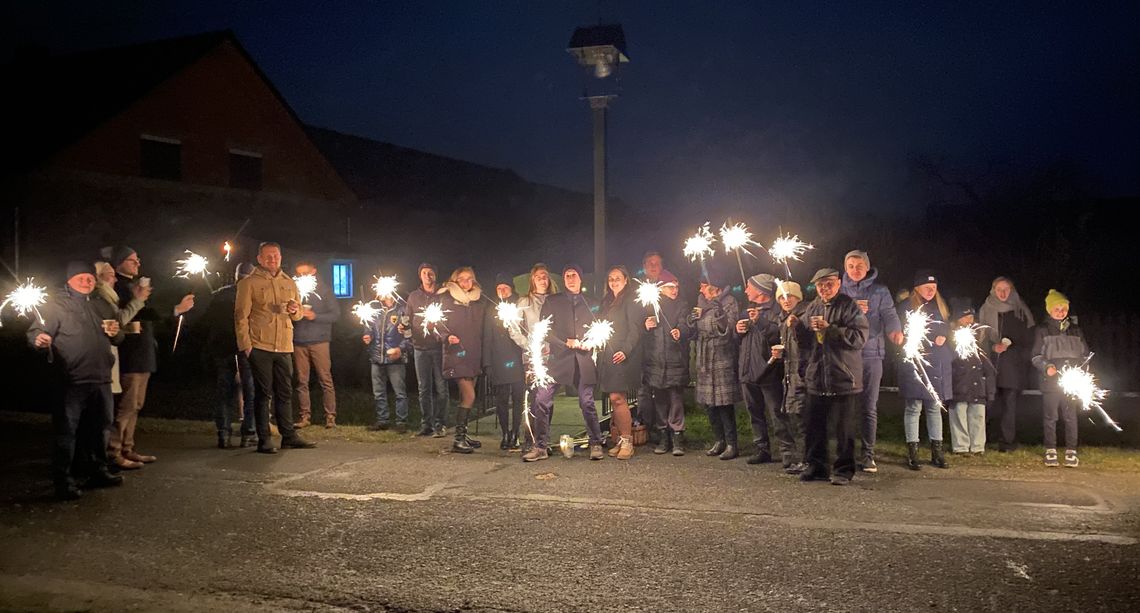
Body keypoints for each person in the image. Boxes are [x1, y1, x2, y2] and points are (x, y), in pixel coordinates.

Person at [28, 261, 124, 500]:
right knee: (66, 432)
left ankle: (97, 471)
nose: (86, 281)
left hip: (101, 379)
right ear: (69, 280)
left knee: (101, 428)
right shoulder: (55, 306)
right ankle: (63, 480)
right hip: (70, 380)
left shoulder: (103, 305)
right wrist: (38, 338)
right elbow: (35, 332)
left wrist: (116, 333)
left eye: (90, 278)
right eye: (80, 277)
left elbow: (119, 336)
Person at [108, 246, 195, 470]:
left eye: (138, 260)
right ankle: (113, 451)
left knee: (137, 404)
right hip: (131, 353)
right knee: (126, 405)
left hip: (143, 352)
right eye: (132, 260)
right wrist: (175, 309)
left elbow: (148, 312)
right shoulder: (116, 286)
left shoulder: (134, 285)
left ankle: (128, 447)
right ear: (119, 263)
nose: (137, 264)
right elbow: (133, 314)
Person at [235, 242, 316, 454]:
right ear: (260, 259)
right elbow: (240, 316)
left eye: (276, 256)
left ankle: (288, 436)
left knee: (285, 392)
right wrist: (246, 345)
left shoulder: (289, 282)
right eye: (268, 256)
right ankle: (264, 438)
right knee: (264, 393)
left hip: (284, 345)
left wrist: (295, 310)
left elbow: (297, 315)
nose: (273, 259)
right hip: (260, 345)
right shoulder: (249, 283)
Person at [794, 268, 868, 485]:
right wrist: (797, 327)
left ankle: (844, 470)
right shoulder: (813, 307)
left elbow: (859, 338)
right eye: (819, 285)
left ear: (838, 283)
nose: (824, 288)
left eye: (828, 284)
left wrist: (831, 329)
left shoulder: (849, 306)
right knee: (814, 425)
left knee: (844, 429)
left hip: (843, 377)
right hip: (817, 376)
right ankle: (816, 466)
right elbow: (806, 343)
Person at [528, 264, 604, 462]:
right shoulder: (553, 301)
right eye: (567, 275)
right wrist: (565, 342)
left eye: (574, 275)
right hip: (558, 359)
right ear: (563, 279)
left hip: (583, 360)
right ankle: (540, 446)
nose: (571, 278)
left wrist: (591, 342)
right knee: (542, 400)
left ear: (580, 279)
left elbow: (601, 328)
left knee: (587, 402)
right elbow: (545, 330)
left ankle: (596, 443)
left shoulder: (592, 302)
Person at [840, 250, 902, 473]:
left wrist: (895, 330)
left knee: (868, 406)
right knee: (845, 407)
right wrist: (853, 312)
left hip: (872, 354)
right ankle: (844, 453)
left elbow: (890, 314)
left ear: (867, 268)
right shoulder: (839, 289)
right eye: (850, 266)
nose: (855, 270)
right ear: (845, 268)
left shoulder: (880, 291)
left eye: (859, 266)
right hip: (845, 355)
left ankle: (868, 454)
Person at [737, 273, 796, 466]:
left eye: (749, 286)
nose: (745, 290)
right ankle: (761, 448)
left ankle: (787, 451)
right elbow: (741, 339)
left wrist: (760, 322)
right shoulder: (748, 310)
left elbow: (778, 335)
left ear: (761, 290)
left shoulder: (776, 309)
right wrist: (737, 329)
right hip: (748, 370)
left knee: (777, 413)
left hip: (768, 371)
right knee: (754, 412)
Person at [898, 270, 953, 470]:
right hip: (915, 364)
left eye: (934, 287)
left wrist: (944, 336)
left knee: (934, 408)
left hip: (937, 364)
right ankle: (913, 453)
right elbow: (900, 334)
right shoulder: (906, 307)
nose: (931, 290)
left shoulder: (940, 306)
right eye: (926, 287)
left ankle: (936, 452)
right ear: (917, 288)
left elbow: (947, 327)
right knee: (913, 408)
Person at [1031, 290, 1089, 468]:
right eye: (1057, 308)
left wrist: (1082, 371)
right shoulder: (1042, 330)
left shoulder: (1076, 330)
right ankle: (1051, 450)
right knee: (1051, 417)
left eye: (1063, 308)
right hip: (1050, 383)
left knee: (1070, 416)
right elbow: (1035, 356)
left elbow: (1085, 355)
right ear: (1049, 310)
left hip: (1071, 383)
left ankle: (1071, 451)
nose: (1060, 312)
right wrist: (1047, 367)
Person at [203, 263, 258, 448]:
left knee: (224, 392)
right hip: (244, 348)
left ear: (236, 276)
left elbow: (207, 321)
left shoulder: (218, 295)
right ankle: (248, 433)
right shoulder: (252, 295)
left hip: (221, 348)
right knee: (251, 391)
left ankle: (223, 433)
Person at [977, 276, 1035, 452]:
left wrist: (1014, 347)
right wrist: (993, 346)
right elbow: (980, 336)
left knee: (1009, 405)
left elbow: (1029, 339)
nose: (1002, 293)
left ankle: (1007, 442)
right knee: (988, 403)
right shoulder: (986, 309)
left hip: (1012, 366)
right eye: (999, 289)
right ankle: (981, 439)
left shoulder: (1020, 310)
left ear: (1012, 290)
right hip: (991, 364)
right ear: (993, 290)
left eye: (1006, 289)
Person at [690, 267, 742, 461]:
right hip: (704, 355)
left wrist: (718, 313)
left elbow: (728, 330)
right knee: (709, 404)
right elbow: (697, 330)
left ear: (715, 288)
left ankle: (731, 443)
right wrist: (692, 321)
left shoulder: (729, 302)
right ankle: (718, 440)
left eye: (704, 286)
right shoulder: (700, 303)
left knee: (723, 403)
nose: (701, 290)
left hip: (721, 356)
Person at [596, 265, 645, 460]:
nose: (614, 281)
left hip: (623, 354)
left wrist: (625, 350)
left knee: (618, 397)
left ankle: (627, 441)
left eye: (617, 278)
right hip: (607, 354)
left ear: (626, 280)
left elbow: (635, 329)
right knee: (613, 398)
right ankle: (619, 440)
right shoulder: (607, 301)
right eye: (610, 278)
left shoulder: (631, 300)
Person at [437, 267, 487, 454]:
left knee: (466, 397)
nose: (466, 282)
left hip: (473, 355)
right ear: (455, 281)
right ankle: (458, 439)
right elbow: (434, 325)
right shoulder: (446, 299)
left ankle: (463, 434)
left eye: (469, 279)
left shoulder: (478, 302)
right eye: (462, 279)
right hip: (457, 355)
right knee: (469, 396)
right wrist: (446, 336)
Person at [509, 263, 558, 453]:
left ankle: (544, 439)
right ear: (532, 280)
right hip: (531, 357)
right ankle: (529, 439)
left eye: (545, 276)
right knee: (532, 398)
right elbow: (513, 327)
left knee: (547, 399)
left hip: (552, 356)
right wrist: (528, 345)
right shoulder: (524, 302)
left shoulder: (555, 300)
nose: (542, 279)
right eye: (538, 276)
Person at [642, 270, 691, 456]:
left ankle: (678, 435)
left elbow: (685, 324)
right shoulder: (650, 306)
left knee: (676, 399)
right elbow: (642, 330)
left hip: (675, 359)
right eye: (671, 287)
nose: (675, 290)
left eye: (677, 287)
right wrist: (646, 326)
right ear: (661, 289)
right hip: (655, 360)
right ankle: (663, 435)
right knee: (660, 399)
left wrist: (681, 331)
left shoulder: (682, 305)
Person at [291, 262, 340, 429]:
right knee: (301, 381)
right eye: (299, 274)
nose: (303, 276)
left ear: (314, 271)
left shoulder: (324, 290)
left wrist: (315, 316)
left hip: (320, 341)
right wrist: (293, 312)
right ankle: (304, 416)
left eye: (306, 273)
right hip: (299, 341)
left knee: (325, 379)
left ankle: (330, 417)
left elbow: (335, 314)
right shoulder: (294, 290)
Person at [406, 263, 449, 438]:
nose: (427, 276)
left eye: (431, 273)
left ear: (435, 276)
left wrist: (437, 329)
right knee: (424, 388)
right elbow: (407, 319)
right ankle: (426, 425)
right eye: (424, 273)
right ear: (420, 276)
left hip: (438, 347)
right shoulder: (413, 296)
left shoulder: (442, 296)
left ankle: (441, 424)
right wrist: (404, 329)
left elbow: (449, 318)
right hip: (419, 348)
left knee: (441, 387)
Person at [772, 280, 811, 474]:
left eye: (789, 296)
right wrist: (781, 354)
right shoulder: (783, 318)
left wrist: (796, 327)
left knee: (802, 418)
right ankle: (803, 459)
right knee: (795, 417)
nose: (785, 300)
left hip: (802, 374)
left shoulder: (803, 316)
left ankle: (807, 460)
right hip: (790, 374)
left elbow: (806, 344)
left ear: (798, 297)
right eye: (781, 297)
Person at [483, 274, 525, 450]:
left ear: (511, 288)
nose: (502, 291)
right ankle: (505, 432)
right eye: (499, 288)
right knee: (501, 400)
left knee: (517, 398)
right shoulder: (491, 308)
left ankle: (515, 432)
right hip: (498, 359)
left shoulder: (519, 304)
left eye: (505, 288)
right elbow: (487, 336)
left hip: (517, 358)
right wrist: (487, 363)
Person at [949, 301, 995, 455]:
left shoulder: (980, 336)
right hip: (958, 382)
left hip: (977, 382)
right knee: (959, 414)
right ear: (957, 319)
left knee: (978, 414)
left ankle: (977, 446)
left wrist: (989, 383)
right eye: (965, 317)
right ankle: (961, 446)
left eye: (971, 316)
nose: (970, 320)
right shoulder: (951, 337)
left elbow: (986, 361)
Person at [93, 261, 144, 395]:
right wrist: (138, 300)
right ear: (99, 277)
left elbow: (112, 324)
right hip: (103, 356)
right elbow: (118, 320)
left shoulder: (109, 296)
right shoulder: (101, 295)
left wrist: (128, 328)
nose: (115, 279)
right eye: (111, 275)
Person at [363, 292, 412, 432]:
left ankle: (401, 422)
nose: (381, 296)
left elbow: (409, 335)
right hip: (377, 357)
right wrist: (367, 335)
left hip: (395, 358)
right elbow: (368, 327)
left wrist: (400, 349)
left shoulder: (402, 310)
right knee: (378, 392)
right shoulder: (375, 310)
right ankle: (382, 420)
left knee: (400, 392)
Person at [636, 251, 670, 433]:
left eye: (657, 263)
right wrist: (643, 323)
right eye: (650, 263)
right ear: (644, 267)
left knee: (663, 390)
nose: (654, 266)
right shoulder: (639, 290)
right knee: (644, 391)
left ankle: (663, 428)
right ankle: (645, 426)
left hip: (665, 350)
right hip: (645, 349)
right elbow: (633, 317)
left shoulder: (670, 288)